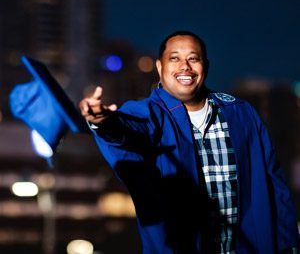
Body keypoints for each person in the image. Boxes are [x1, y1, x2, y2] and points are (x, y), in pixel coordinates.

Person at [79, 31, 299, 253]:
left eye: (193, 58)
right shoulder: (146, 114)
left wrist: (289, 244)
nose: (185, 66)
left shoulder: (240, 113)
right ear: (159, 67)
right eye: (174, 58)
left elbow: (274, 184)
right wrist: (103, 121)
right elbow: (126, 131)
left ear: (206, 65)